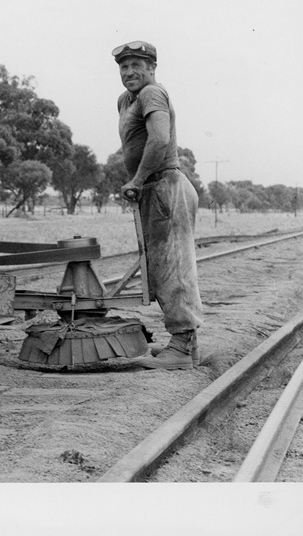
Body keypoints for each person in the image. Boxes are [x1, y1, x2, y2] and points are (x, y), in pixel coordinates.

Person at [111, 41, 203, 370]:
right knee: (163, 266)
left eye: (138, 65)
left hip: (166, 185)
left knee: (173, 265)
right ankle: (185, 346)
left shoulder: (152, 93)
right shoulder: (126, 100)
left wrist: (136, 180)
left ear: (152, 68)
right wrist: (140, 183)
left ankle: (180, 347)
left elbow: (160, 139)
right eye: (124, 67)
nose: (130, 72)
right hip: (155, 187)